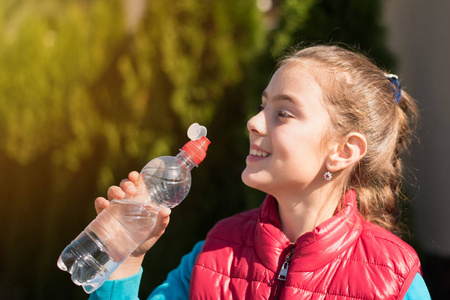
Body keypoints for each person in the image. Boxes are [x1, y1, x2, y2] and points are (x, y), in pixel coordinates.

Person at [89, 44, 431, 299]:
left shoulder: (395, 278)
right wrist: (127, 258)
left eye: (283, 113)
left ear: (343, 151)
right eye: (261, 106)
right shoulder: (213, 253)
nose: (253, 123)